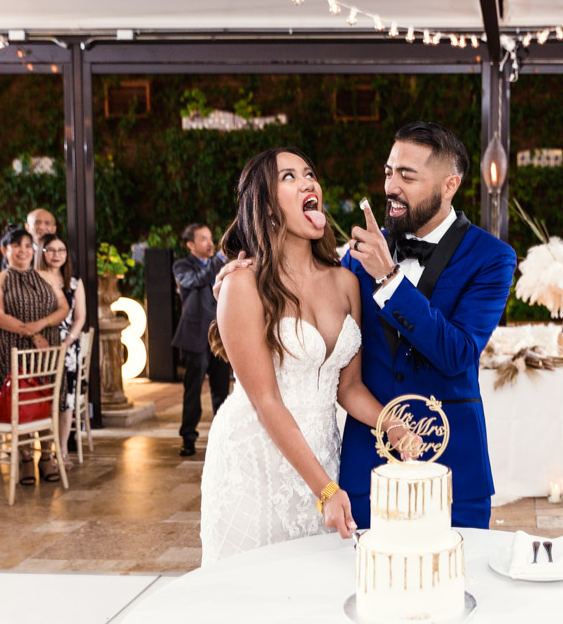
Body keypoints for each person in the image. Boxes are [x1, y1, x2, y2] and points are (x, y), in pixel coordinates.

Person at [199, 147, 417, 566]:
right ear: (264, 203)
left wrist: (390, 422)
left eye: (310, 174)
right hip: (255, 459)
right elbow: (266, 401)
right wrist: (327, 490)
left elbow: (348, 387)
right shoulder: (242, 286)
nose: (307, 182)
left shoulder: (346, 281)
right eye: (289, 177)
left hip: (322, 452)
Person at [340, 121, 517, 530]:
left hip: (453, 462)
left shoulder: (493, 258)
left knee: (454, 581)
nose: (390, 187)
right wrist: (249, 276)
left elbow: (458, 354)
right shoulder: (359, 254)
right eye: (388, 172)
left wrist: (389, 279)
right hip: (367, 464)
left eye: (407, 175)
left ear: (449, 184)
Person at [0, 225, 70, 485]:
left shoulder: (47, 277)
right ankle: (24, 459)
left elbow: (63, 307)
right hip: (13, 348)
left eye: (27, 245)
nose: (23, 250)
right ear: (5, 250)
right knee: (17, 404)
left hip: (47, 350)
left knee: (47, 400)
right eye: (16, 245)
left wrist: (41, 324)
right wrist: (30, 333)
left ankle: (46, 457)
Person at [171, 223, 232, 457]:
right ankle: (188, 437)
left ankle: (222, 436)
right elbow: (196, 280)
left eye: (210, 238)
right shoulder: (182, 266)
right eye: (204, 239)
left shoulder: (222, 265)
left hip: (220, 335)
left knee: (221, 389)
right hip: (194, 336)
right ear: (190, 244)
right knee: (192, 389)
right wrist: (218, 259)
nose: (210, 242)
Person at [38, 232, 87, 468]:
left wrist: (68, 341)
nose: (57, 255)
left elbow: (80, 317)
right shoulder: (34, 280)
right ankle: (44, 453)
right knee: (43, 399)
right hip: (40, 348)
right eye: (51, 250)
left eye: (61, 250)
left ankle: (62, 450)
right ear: (42, 253)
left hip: (67, 349)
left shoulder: (75, 282)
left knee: (66, 401)